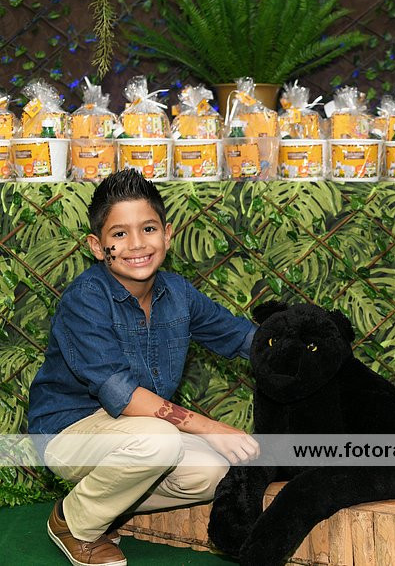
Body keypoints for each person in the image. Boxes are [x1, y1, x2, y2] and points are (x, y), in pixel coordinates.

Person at [27, 169, 261, 566]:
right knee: (159, 442)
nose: (137, 244)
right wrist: (210, 427)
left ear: (167, 234)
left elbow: (241, 337)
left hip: (135, 431)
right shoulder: (85, 298)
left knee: (215, 471)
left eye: (148, 229)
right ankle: (74, 522)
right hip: (68, 432)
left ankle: (105, 506)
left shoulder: (178, 293)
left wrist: (306, 349)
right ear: (97, 246)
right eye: (119, 234)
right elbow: (120, 393)